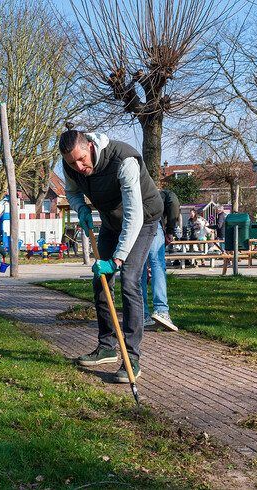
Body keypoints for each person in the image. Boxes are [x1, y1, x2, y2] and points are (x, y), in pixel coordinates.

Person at [61, 126, 164, 383]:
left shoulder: (124, 160)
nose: (79, 166)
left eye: (81, 159)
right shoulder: (70, 166)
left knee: (129, 280)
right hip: (111, 221)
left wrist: (117, 260)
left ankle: (132, 357)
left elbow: (134, 214)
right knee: (101, 280)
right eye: (72, 162)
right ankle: (106, 346)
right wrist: (80, 209)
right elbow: (72, 192)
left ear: (90, 147)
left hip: (144, 219)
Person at [140, 189, 180, 331]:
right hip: (152, 223)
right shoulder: (162, 194)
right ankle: (161, 310)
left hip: (133, 222)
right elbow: (173, 200)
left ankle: (142, 314)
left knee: (140, 269)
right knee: (157, 264)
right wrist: (170, 230)